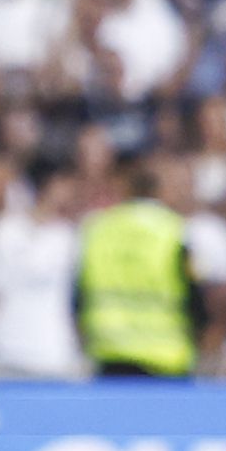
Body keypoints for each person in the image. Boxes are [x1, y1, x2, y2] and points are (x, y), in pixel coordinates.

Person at [78, 161, 199, 379]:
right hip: (165, 355)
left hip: (109, 350)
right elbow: (194, 295)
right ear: (159, 190)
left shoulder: (98, 229)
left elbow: (79, 292)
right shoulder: (174, 231)